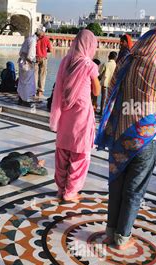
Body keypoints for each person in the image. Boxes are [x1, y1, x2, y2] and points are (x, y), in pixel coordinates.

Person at [95, 27, 156, 250]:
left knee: (117, 184)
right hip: (147, 137)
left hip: (120, 132)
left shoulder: (127, 62)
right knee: (134, 188)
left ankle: (110, 232)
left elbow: (112, 89)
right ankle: (123, 237)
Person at [49, 29, 101, 202]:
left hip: (65, 115)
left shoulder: (65, 62)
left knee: (63, 152)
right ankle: (70, 192)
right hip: (82, 115)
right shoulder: (89, 65)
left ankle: (60, 189)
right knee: (79, 155)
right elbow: (97, 90)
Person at [17, 34, 37, 106]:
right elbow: (30, 56)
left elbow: (20, 52)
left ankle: (21, 98)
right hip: (27, 64)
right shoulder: (33, 41)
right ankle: (25, 100)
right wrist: (34, 62)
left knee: (22, 82)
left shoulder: (28, 39)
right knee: (27, 83)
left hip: (22, 62)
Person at [98, 51, 117, 115]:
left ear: (109, 56)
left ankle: (101, 111)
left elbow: (100, 74)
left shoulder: (105, 64)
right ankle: (109, 112)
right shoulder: (116, 65)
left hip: (105, 83)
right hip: (113, 84)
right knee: (111, 99)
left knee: (103, 98)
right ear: (115, 58)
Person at [35, 27, 52, 98]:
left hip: (35, 58)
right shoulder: (46, 39)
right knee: (42, 75)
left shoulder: (35, 39)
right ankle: (40, 92)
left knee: (35, 75)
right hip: (43, 58)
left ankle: (33, 90)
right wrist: (45, 51)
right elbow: (50, 50)